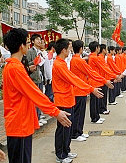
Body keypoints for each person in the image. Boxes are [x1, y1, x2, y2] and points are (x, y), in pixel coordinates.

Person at [3, 28, 71, 163]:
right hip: (19, 124)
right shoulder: (15, 68)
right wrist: (55, 112)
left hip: (20, 123)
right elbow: (34, 93)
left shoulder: (14, 66)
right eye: (28, 43)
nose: (29, 45)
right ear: (22, 46)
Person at [52, 38, 103, 163]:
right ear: (63, 50)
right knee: (63, 129)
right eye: (69, 48)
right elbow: (73, 79)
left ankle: (66, 150)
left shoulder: (62, 63)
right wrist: (91, 89)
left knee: (67, 127)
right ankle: (61, 154)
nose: (70, 50)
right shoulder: (59, 65)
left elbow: (73, 78)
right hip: (62, 100)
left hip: (68, 98)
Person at [70, 40, 113, 142]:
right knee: (78, 113)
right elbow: (91, 72)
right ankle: (75, 133)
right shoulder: (79, 60)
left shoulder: (77, 59)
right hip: (79, 89)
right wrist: (106, 80)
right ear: (81, 49)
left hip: (82, 88)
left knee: (81, 113)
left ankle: (79, 131)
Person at [88, 43, 119, 117]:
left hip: (99, 80)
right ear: (96, 48)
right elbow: (104, 68)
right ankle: (95, 117)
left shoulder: (95, 57)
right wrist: (114, 75)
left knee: (98, 100)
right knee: (95, 101)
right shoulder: (95, 57)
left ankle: (97, 115)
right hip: (96, 80)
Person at [26, 33, 46, 126]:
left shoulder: (40, 51)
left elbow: (42, 66)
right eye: (37, 39)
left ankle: (38, 117)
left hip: (40, 77)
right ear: (33, 41)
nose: (39, 41)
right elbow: (28, 63)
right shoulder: (30, 51)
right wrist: (35, 61)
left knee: (39, 99)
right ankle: (35, 119)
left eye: (40, 39)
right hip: (34, 78)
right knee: (35, 100)